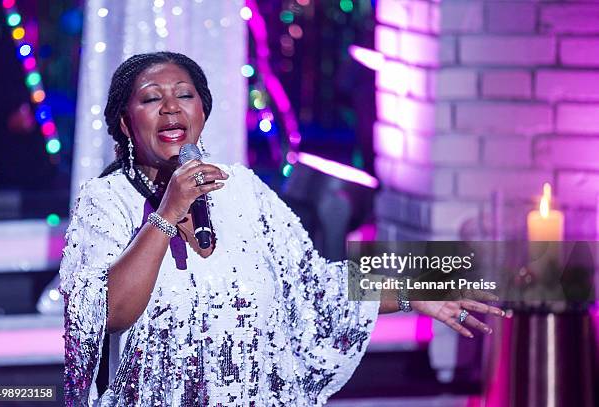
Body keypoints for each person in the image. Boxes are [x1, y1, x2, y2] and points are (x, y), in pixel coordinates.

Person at [59, 51, 509, 407]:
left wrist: (415, 286)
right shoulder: (106, 201)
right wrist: (166, 213)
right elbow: (106, 314)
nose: (171, 107)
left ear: (203, 111)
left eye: (185, 95)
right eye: (152, 98)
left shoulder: (244, 192)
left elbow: (314, 286)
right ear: (125, 122)